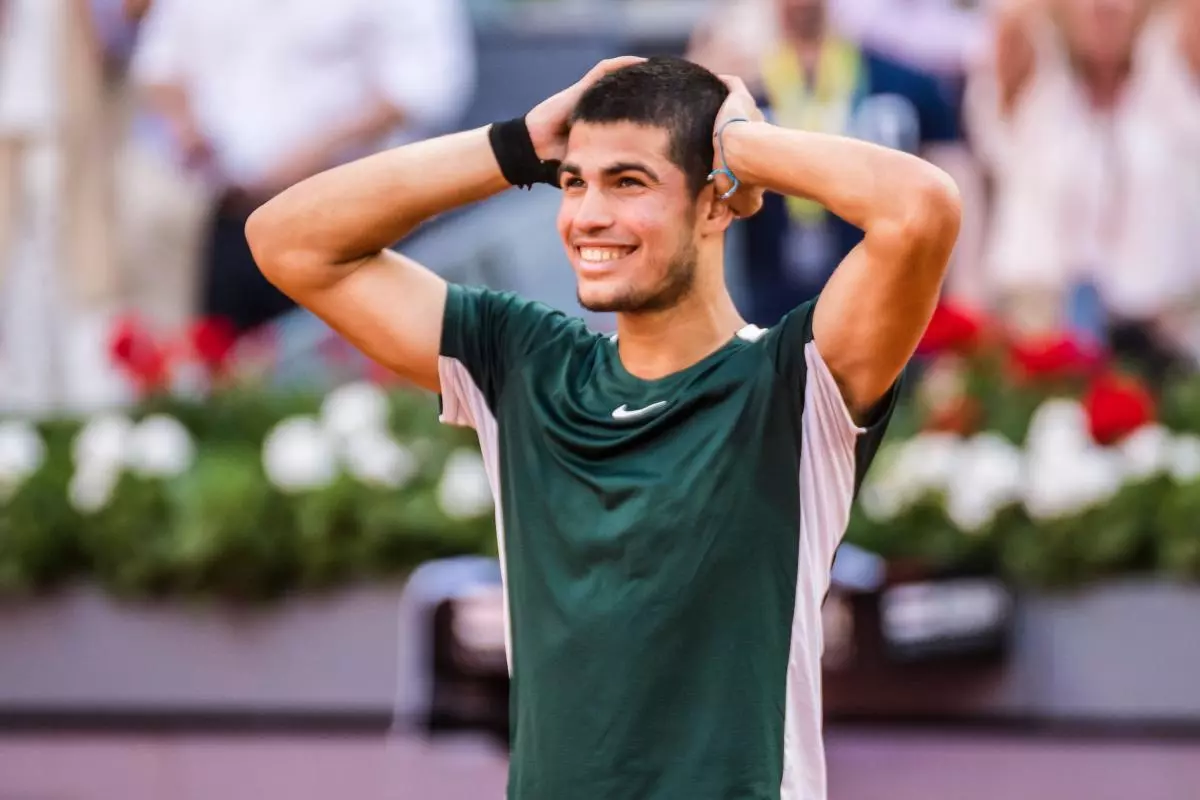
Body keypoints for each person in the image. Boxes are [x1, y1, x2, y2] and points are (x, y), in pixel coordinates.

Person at [248, 56, 960, 800]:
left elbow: (921, 209)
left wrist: (743, 144)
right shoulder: (522, 365)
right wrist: (517, 145)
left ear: (714, 206)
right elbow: (286, 240)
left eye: (628, 183)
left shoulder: (794, 379)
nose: (586, 216)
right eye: (572, 182)